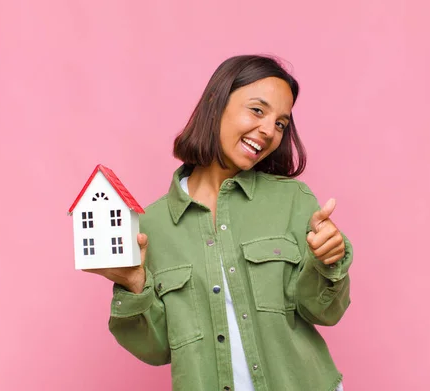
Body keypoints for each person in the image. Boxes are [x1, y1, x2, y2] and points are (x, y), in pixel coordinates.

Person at [85, 54, 353, 391]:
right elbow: (156, 350)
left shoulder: (294, 201)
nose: (269, 131)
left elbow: (324, 312)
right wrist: (135, 285)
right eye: (257, 110)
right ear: (216, 103)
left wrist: (328, 260)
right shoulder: (151, 226)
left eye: (281, 123)